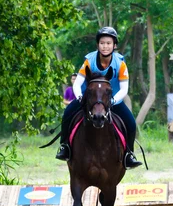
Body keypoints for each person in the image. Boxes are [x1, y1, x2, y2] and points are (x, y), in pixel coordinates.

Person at [56, 26, 143, 169]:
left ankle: (129, 154)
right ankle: (64, 146)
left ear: (114, 45)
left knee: (131, 123)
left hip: (112, 100)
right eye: (102, 43)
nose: (105, 46)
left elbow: (124, 89)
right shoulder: (89, 61)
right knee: (67, 113)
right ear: (98, 45)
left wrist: (113, 101)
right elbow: (77, 83)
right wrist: (79, 97)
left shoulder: (120, 63)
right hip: (88, 99)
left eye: (109, 43)